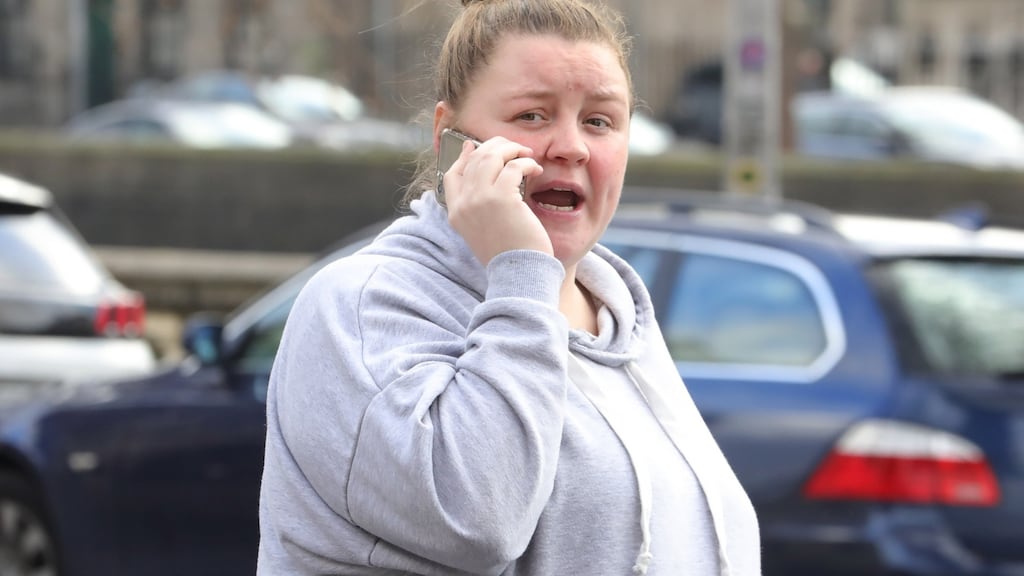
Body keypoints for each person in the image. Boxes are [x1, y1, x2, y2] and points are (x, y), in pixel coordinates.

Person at [256, 0, 761, 574]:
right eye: (532, 116)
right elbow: (478, 519)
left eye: (599, 121)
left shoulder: (617, 310)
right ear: (450, 138)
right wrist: (521, 269)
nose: (571, 146)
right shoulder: (360, 302)